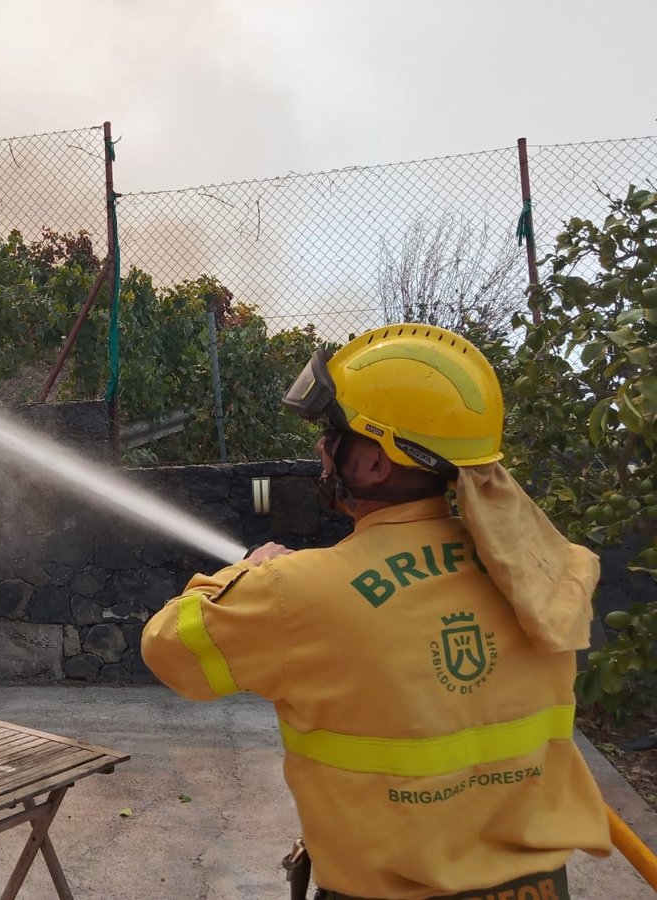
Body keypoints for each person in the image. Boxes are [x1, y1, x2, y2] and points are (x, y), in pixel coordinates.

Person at [141, 324, 612, 900]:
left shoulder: (295, 593)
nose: (321, 449)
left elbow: (168, 648)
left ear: (373, 463)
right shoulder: (542, 573)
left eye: (332, 434)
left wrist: (247, 570)